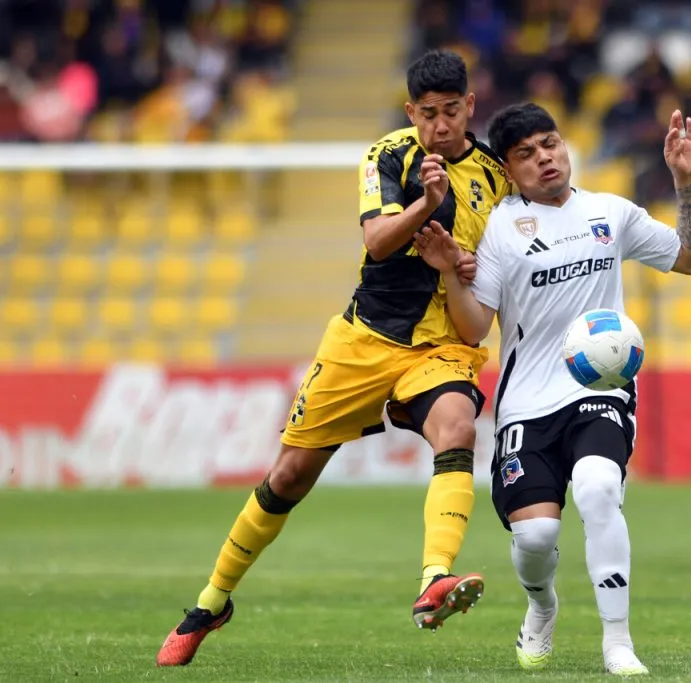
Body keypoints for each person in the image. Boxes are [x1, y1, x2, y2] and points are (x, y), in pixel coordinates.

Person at [156, 49, 512, 667]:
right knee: (289, 476)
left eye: (452, 112)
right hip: (364, 338)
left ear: (470, 106)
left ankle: (434, 578)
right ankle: (212, 603)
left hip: (442, 343)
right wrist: (426, 206)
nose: (440, 125)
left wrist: (466, 268)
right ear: (411, 112)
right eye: (428, 114)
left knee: (457, 427)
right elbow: (376, 242)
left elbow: (496, 271)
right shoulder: (387, 156)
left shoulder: (495, 179)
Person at [413, 103, 691, 675]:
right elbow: (477, 325)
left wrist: (686, 181)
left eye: (550, 144)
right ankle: (541, 607)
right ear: (508, 166)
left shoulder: (610, 213)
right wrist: (451, 270)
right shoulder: (500, 227)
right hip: (527, 401)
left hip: (599, 387)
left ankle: (618, 641)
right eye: (526, 153)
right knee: (536, 536)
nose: (544, 158)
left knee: (599, 488)